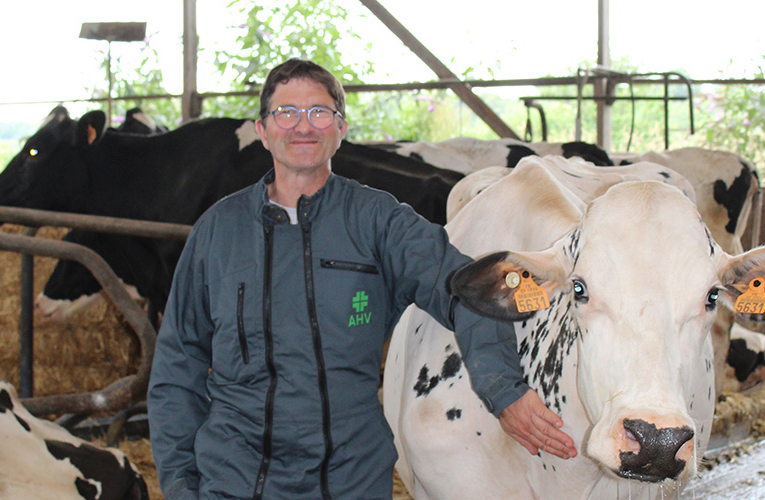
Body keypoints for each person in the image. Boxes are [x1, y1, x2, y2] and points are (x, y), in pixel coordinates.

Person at [147, 58, 576, 500]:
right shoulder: (217, 231)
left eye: (319, 112)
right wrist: (180, 485)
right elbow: (178, 366)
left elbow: (470, 288)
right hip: (235, 481)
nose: (303, 126)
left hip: (349, 480)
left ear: (341, 129)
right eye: (286, 113)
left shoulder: (378, 220)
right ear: (262, 130)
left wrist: (504, 390)